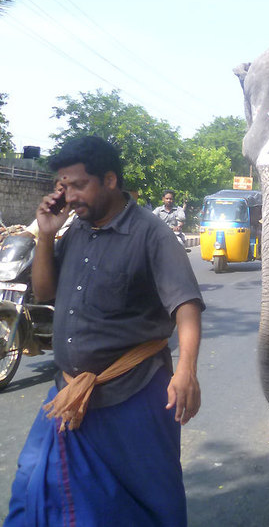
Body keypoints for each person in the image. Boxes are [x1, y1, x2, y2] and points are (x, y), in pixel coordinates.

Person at [5, 136, 204, 526]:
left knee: (147, 500)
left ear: (110, 180)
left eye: (79, 185)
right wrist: (46, 233)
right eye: (64, 186)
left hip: (134, 396)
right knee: (35, 485)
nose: (69, 195)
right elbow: (46, 292)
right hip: (68, 397)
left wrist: (186, 371)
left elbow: (186, 306)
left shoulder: (152, 234)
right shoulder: (75, 230)